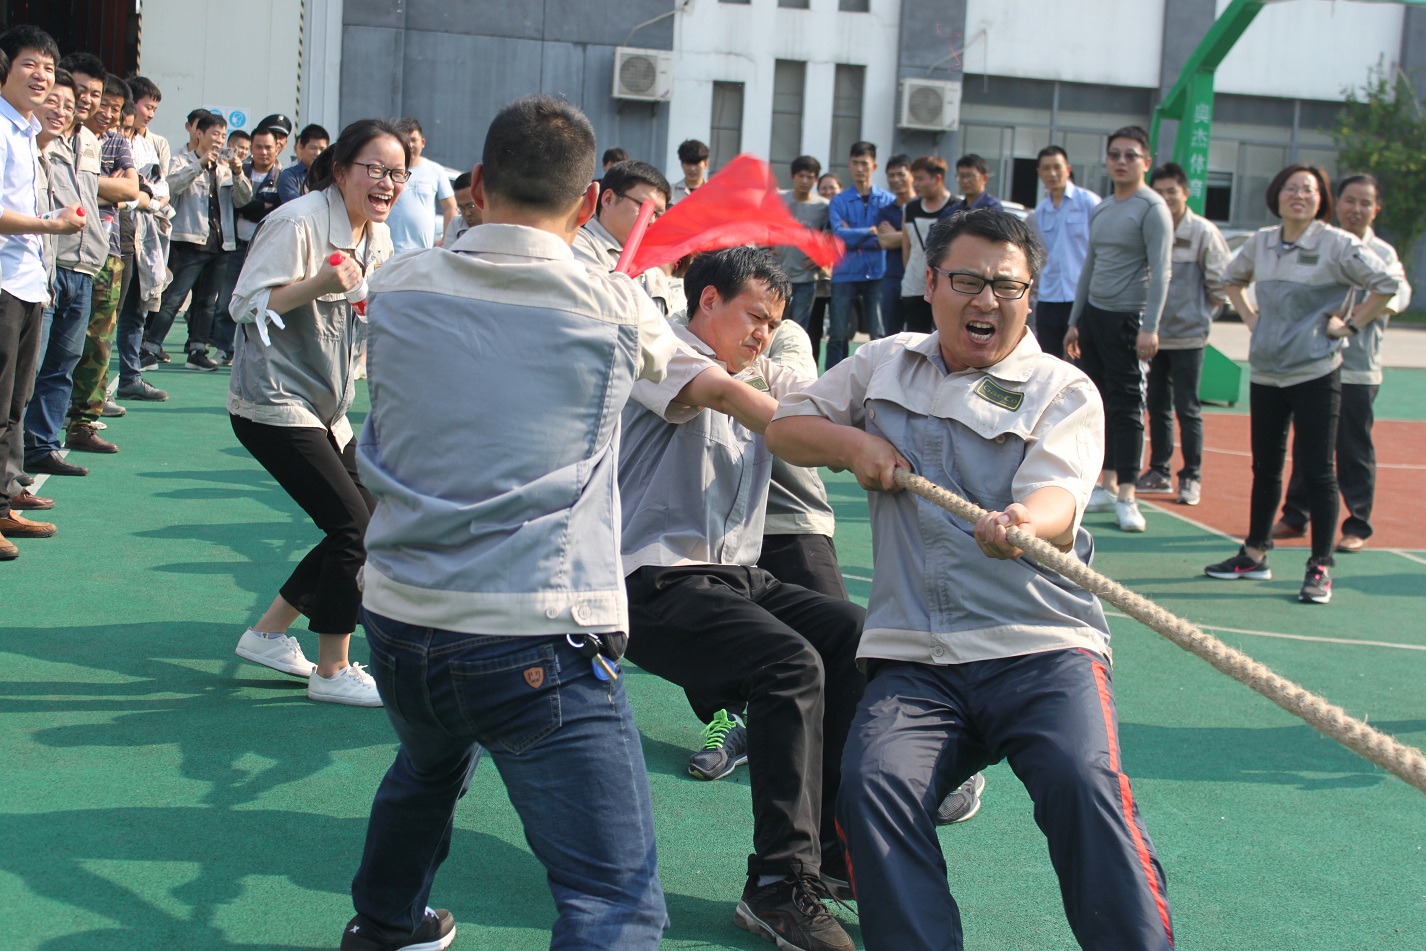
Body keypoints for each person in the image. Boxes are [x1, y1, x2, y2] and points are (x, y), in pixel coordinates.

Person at [766, 208, 1175, 951]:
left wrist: (1025, 520)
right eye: (967, 280)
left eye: (1006, 285)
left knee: (1082, 782)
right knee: (871, 784)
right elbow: (786, 426)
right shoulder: (884, 361)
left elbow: (1062, 496)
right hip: (917, 655)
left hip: (1041, 647)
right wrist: (854, 441)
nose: (986, 299)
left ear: (1029, 294)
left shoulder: (1063, 388)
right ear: (931, 283)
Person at [346, 94, 687, 951]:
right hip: (535, 634)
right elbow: (670, 367)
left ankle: (386, 925)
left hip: (398, 621)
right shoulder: (614, 304)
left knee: (428, 765)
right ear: (585, 206)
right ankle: (387, 923)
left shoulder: (394, 286)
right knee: (615, 901)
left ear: (480, 185)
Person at [619, 247, 863, 951]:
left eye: (774, 323)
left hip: (732, 575)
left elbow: (837, 394)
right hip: (650, 580)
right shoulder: (661, 351)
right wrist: (843, 445)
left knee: (851, 634)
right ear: (708, 302)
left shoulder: (760, 370)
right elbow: (736, 399)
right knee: (789, 664)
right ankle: (777, 887)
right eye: (755, 317)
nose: (763, 334)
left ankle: (836, 857)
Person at [226, 119, 407, 706]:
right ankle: (332, 669)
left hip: (328, 408)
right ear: (339, 169)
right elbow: (244, 305)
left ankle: (268, 634)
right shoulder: (297, 222)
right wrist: (318, 280)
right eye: (375, 169)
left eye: (397, 173)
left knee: (368, 520)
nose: (387, 183)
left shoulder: (375, 236)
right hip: (273, 402)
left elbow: (369, 310)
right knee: (354, 529)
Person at [1206, 164, 1397, 604]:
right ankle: (1254, 554)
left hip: (1315, 371)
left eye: (1308, 190)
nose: (1299, 195)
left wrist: (1349, 324)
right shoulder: (1262, 241)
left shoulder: (1337, 244)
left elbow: (1386, 285)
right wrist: (1250, 315)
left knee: (1318, 471)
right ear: (1276, 196)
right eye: (1291, 188)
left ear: (1320, 200)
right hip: (1268, 372)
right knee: (1265, 468)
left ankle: (1319, 567)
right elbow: (1229, 278)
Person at [1275, 173, 1412, 553]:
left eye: (1365, 202)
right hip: (1312, 363)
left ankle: (1358, 524)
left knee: (1352, 448)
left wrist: (1350, 325)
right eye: (1349, 200)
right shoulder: (1324, 243)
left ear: (1376, 209)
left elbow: (1396, 296)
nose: (1356, 209)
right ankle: (1294, 516)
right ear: (1337, 202)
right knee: (1308, 443)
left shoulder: (1382, 254)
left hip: (1355, 367)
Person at [0, 26, 85, 561]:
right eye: (31, 64)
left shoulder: (28, 135)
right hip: (4, 282)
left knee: (15, 402)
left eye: (49, 68)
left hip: (28, 283)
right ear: (6, 67)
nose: (42, 76)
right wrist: (47, 226)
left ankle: (5, 498)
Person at [1064, 126, 1173, 533]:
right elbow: (1089, 266)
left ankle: (1128, 493)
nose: (1121, 161)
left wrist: (1151, 326)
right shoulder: (1104, 207)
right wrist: (1076, 320)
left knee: (1128, 407)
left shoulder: (1152, 208)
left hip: (1130, 318)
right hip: (1094, 317)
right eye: (1114, 155)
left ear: (1146, 161)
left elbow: (1162, 270)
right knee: (1097, 403)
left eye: (1130, 155)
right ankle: (1105, 486)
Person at [22, 70, 104, 483]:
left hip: (84, 267)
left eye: (75, 103)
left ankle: (41, 446)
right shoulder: (28, 144)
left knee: (63, 363)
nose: (69, 109)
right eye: (58, 100)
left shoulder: (88, 142)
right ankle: (14, 454)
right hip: (45, 268)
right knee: (28, 368)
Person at [1136, 162, 1229, 507]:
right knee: (1156, 405)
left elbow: (1220, 283)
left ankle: (1191, 476)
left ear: (1185, 193)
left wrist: (1200, 314)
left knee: (1187, 408)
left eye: (1171, 191)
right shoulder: (1150, 228)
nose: (1165, 197)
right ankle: (1158, 470)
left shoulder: (1203, 232)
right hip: (1153, 336)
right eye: (1158, 192)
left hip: (1189, 338)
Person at [57, 67, 138, 453]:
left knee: (98, 341)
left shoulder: (116, 143)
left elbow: (131, 190)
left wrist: (89, 186)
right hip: (60, 252)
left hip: (106, 251)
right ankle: (43, 428)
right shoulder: (54, 134)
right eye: (96, 99)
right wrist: (104, 188)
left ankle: (83, 421)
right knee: (57, 345)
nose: (101, 109)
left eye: (111, 104)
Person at [142, 109, 250, 373]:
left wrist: (237, 174)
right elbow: (171, 185)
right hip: (189, 240)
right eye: (215, 134)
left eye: (223, 135)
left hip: (220, 242)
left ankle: (198, 350)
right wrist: (199, 164)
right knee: (174, 297)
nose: (219, 140)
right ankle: (150, 347)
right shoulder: (180, 160)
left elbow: (243, 199)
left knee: (208, 301)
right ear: (198, 133)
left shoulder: (226, 168)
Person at [113, 74, 171, 400]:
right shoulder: (112, 139)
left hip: (144, 234)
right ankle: (89, 391)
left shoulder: (148, 143)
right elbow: (125, 190)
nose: (150, 114)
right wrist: (141, 195)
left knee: (136, 309)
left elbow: (159, 189)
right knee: (107, 310)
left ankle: (130, 377)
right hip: (117, 229)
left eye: (153, 109)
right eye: (147, 107)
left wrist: (143, 195)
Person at [213, 125, 284, 362]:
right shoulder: (238, 171)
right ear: (250, 148)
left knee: (264, 303)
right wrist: (258, 206)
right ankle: (223, 348)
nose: (263, 152)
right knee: (227, 299)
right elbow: (238, 204)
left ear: (278, 148)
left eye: (268, 147)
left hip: (267, 250)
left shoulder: (283, 176)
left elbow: (277, 209)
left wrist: (252, 207)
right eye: (258, 147)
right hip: (237, 246)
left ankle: (257, 351)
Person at [571, 159, 672, 313]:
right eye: (645, 207)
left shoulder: (653, 269)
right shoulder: (576, 246)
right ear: (608, 199)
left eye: (658, 213)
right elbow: (604, 310)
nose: (651, 219)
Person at [826, 141, 893, 368]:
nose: (859, 168)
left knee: (879, 333)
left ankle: (880, 379)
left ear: (874, 165)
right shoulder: (839, 200)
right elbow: (840, 237)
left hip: (877, 273)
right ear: (849, 165)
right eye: (855, 163)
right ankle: (833, 381)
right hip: (844, 272)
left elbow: (889, 239)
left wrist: (856, 235)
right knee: (837, 333)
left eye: (864, 163)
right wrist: (873, 231)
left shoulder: (887, 200)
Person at [1029, 145, 1099, 359]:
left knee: (1081, 358)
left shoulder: (1088, 202)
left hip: (1079, 297)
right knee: (1049, 358)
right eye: (1046, 168)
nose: (1052, 173)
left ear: (1068, 169)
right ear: (1039, 173)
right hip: (1049, 297)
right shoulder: (1040, 210)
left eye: (1057, 167)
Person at [898, 154, 956, 334]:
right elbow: (906, 245)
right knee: (917, 339)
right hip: (914, 286)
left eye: (920, 179)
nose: (915, 184)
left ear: (937, 178)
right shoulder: (910, 208)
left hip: (946, 287)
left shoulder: (955, 207)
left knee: (947, 336)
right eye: (914, 178)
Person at [776, 154, 830, 334]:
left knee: (797, 329)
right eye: (801, 176)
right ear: (793, 176)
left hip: (806, 280)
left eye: (810, 177)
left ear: (816, 179)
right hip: (777, 275)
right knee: (773, 324)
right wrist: (764, 250)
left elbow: (831, 237)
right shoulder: (778, 199)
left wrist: (820, 259)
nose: (805, 181)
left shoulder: (824, 206)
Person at [384, 117, 455, 253]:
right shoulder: (387, 170)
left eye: (413, 140)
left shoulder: (435, 171)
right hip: (391, 250)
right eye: (405, 140)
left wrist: (445, 240)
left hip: (423, 252)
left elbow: (450, 207)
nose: (409, 145)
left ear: (422, 142)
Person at [874, 153, 913, 336]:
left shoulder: (921, 207)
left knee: (918, 332)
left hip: (918, 277)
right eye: (891, 175)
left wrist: (896, 234)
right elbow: (884, 241)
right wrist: (910, 233)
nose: (896, 180)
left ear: (911, 175)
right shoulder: (886, 211)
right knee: (891, 333)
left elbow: (929, 237)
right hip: (892, 276)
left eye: (901, 174)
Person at [275, 123, 328, 204]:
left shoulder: (331, 176)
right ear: (301, 148)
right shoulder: (289, 176)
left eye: (322, 149)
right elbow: (296, 206)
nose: (318, 153)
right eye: (313, 148)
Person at [439, 170, 477, 248]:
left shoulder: (496, 222)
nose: (467, 213)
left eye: (471, 206)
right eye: (461, 208)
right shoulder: (455, 224)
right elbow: (448, 255)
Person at [670, 137, 708, 204]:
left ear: (706, 164)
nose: (692, 169)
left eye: (696, 164)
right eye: (688, 164)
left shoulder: (714, 191)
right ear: (681, 164)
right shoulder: (670, 192)